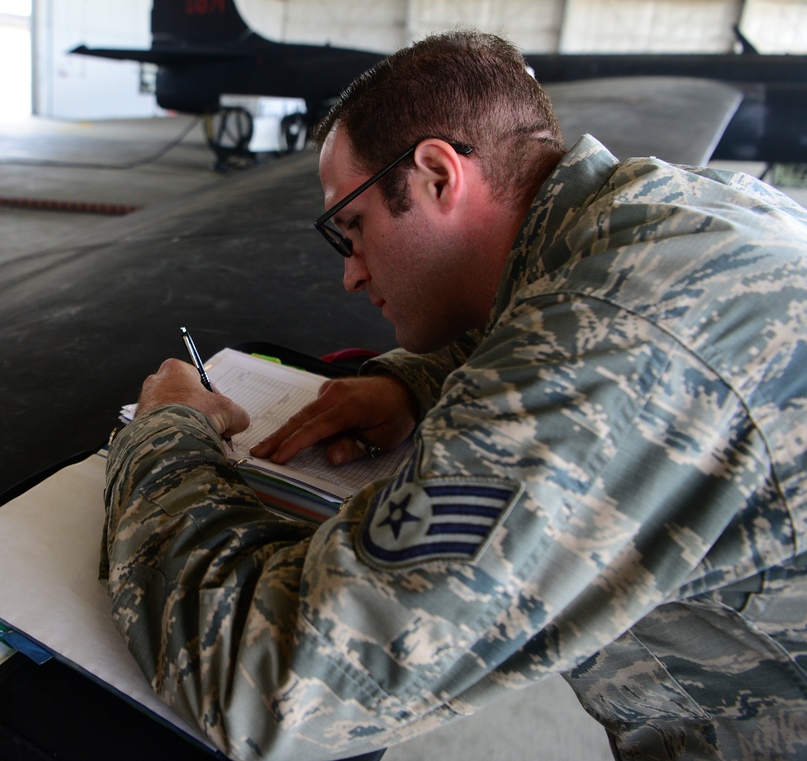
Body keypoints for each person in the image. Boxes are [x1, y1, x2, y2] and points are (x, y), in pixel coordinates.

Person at [102, 30, 807, 761]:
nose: (350, 274)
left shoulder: (606, 342)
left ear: (438, 175)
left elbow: (277, 684)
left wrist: (168, 429)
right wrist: (407, 381)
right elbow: (554, 313)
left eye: (353, 228)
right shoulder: (652, 216)